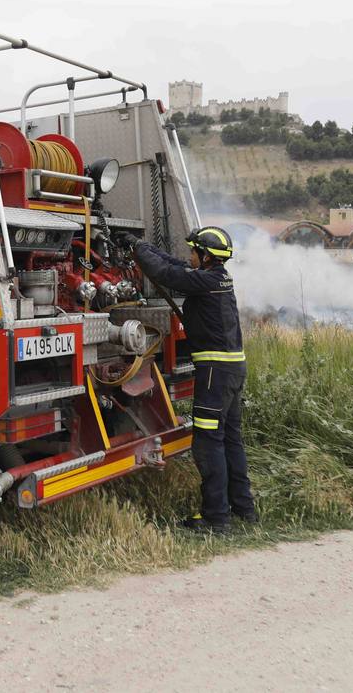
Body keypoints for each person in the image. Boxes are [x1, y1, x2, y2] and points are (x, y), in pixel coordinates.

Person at [116, 226, 257, 535]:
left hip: (215, 374)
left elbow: (166, 273)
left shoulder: (204, 282)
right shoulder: (215, 278)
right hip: (231, 371)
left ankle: (216, 518)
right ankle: (244, 510)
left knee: (208, 443)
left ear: (205, 256)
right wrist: (141, 244)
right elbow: (175, 264)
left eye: (194, 251)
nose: (190, 255)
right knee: (230, 439)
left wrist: (139, 251)